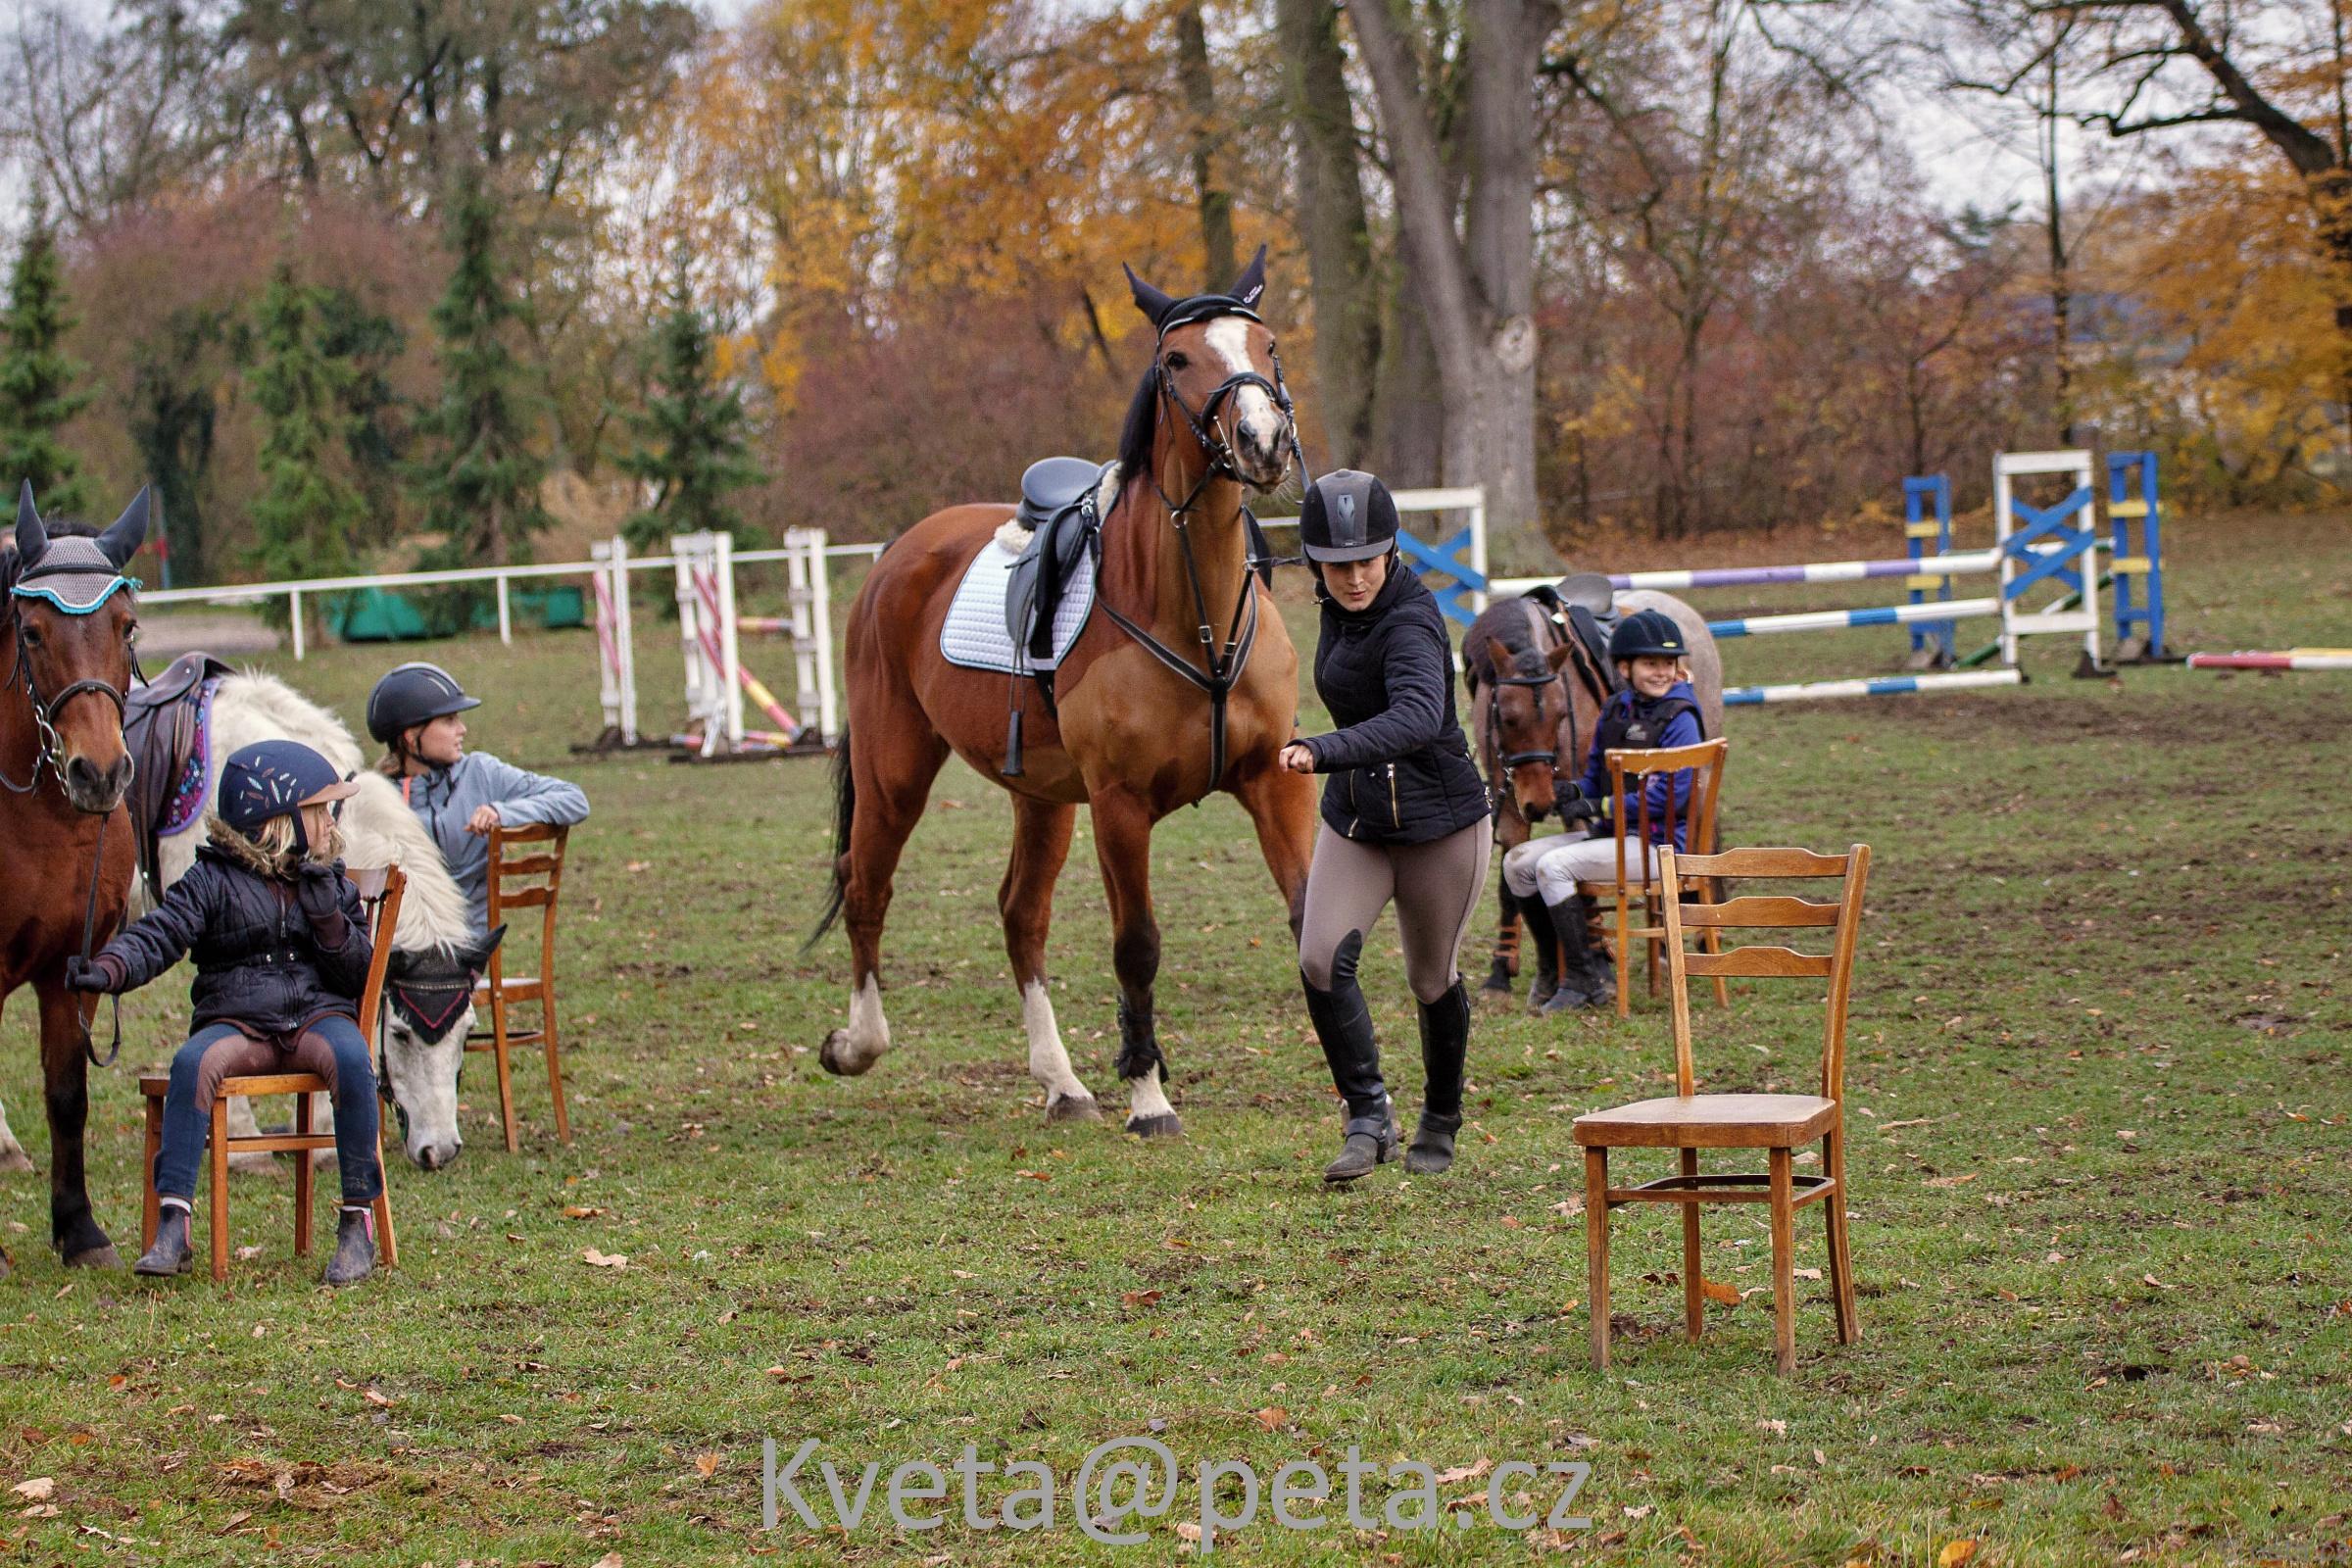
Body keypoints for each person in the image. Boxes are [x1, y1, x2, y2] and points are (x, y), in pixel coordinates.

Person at [68, 741, 383, 1284]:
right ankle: (174, 1227)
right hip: (239, 1022)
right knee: (193, 1063)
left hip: (316, 1019)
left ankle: (358, 1222)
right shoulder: (211, 879)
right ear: (278, 821)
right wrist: (109, 968)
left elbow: (358, 974)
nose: (332, 822)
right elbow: (160, 934)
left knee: (353, 1061)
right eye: (319, 810)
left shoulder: (330, 881)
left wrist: (330, 921)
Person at [1281, 470, 1494, 1182]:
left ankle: (1441, 1116)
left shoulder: (1411, 620)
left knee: (1430, 978)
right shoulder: (1336, 610)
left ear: (1392, 550)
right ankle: (1368, 1116)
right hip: (1360, 821)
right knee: (1319, 958)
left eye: (1367, 560)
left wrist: (1322, 749)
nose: (1354, 578)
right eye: (1336, 565)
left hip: (1441, 826)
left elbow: (1416, 716)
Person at [1500, 610, 1705, 1013]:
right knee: (1517, 863)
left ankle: (1584, 979)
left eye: (1668, 663)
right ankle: (1552, 968)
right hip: (1615, 839)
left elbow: (1672, 799)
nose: (1662, 673)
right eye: (1651, 664)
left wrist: (1600, 806)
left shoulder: (1681, 717)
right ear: (1625, 668)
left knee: (1553, 867)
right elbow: (1595, 778)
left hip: (1661, 846)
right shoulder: (1614, 710)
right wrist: (1572, 790)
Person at [365, 662, 589, 937]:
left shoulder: (481, 772)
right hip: (402, 943)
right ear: (411, 737)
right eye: (449, 721)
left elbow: (573, 799)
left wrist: (501, 812)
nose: (462, 729)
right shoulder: (377, 797)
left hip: (469, 944)